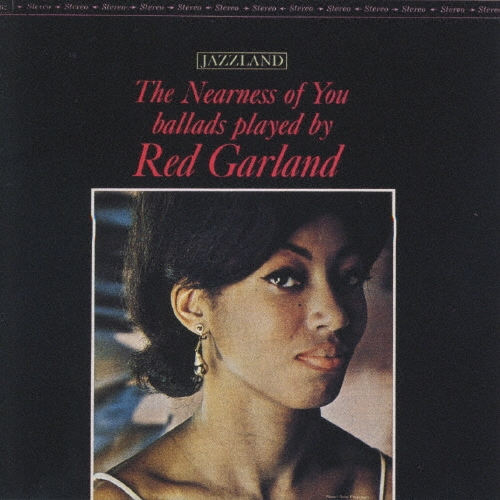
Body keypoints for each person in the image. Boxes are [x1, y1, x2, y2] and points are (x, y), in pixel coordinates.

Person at [94, 191, 393, 500]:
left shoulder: (388, 486)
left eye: (350, 277)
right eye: (285, 279)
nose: (336, 316)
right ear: (193, 307)